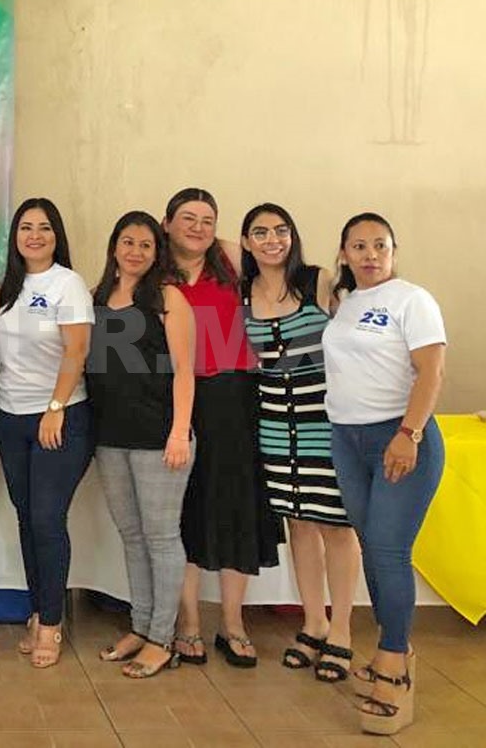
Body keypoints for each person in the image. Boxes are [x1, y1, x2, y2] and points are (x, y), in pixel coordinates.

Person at [322, 213, 445, 736]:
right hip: (347, 439)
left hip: (399, 438)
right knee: (372, 547)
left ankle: (394, 659)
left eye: (380, 245)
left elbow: (432, 370)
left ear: (394, 251)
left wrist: (408, 433)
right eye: (358, 246)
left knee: (391, 551)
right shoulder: (346, 304)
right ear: (344, 254)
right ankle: (393, 644)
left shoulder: (411, 299)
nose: (370, 254)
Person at [239, 203, 361, 682]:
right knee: (298, 524)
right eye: (260, 232)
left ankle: (344, 632)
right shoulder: (242, 292)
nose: (272, 240)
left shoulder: (318, 280)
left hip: (324, 419)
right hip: (273, 421)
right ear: (246, 241)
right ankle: (314, 623)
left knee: (336, 524)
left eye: (281, 230)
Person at [163, 187, 281, 668]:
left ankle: (232, 623)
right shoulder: (155, 272)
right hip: (175, 401)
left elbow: (274, 256)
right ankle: (188, 621)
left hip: (235, 397)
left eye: (207, 219)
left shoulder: (230, 262)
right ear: (165, 222)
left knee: (236, 509)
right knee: (183, 511)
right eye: (187, 218)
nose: (197, 227)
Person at [88, 211, 195, 679]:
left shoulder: (169, 299)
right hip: (111, 438)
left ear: (158, 253)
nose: (135, 251)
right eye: (127, 241)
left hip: (159, 439)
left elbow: (186, 372)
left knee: (161, 538)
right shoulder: (96, 299)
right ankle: (140, 626)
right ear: (114, 247)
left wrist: (179, 432)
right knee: (132, 537)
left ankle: (162, 638)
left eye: (145, 245)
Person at [0, 198, 94, 668]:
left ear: (57, 236)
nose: (35, 235)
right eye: (26, 227)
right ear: (15, 236)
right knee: (27, 518)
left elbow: (77, 351)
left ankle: (52, 622)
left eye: (44, 228)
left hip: (59, 417)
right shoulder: (7, 286)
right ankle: (38, 610)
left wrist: (54, 408)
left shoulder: (67, 283)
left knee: (48, 521)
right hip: (9, 418)